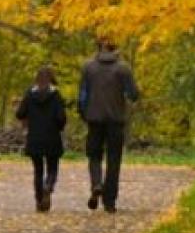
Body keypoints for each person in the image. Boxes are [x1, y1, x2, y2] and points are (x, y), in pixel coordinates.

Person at [78, 39, 139, 213]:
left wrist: (84, 113)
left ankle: (96, 183)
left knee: (94, 155)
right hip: (116, 120)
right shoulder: (123, 69)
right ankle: (109, 201)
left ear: (99, 48)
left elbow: (83, 95)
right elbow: (133, 94)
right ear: (116, 50)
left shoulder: (88, 67)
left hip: (94, 119)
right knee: (114, 160)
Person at [16, 65, 66, 212]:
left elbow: (20, 113)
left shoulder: (30, 94)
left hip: (34, 137)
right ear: (51, 78)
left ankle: (39, 199)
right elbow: (61, 118)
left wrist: (29, 117)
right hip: (52, 137)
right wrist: (59, 126)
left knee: (38, 170)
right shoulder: (56, 95)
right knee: (52, 167)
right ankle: (48, 186)